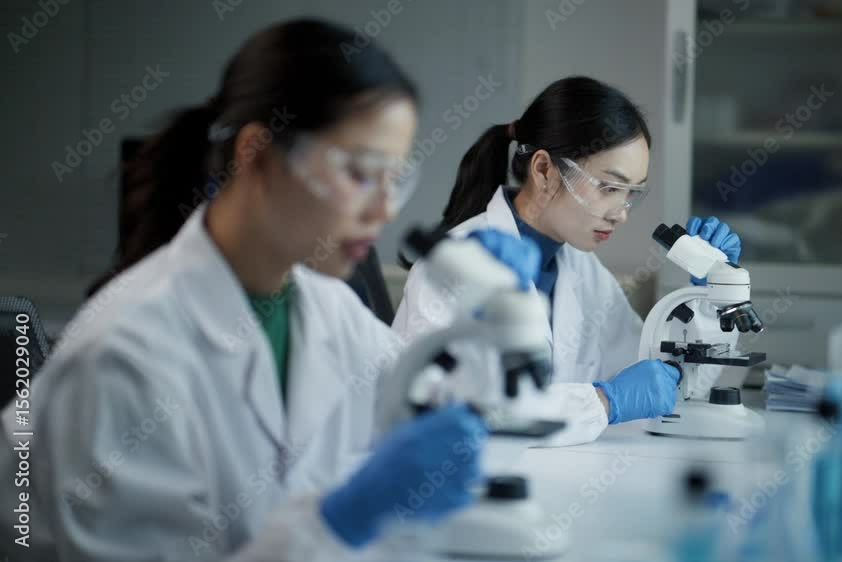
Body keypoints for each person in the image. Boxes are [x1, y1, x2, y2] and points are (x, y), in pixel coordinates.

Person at [0, 19, 540, 562]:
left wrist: (488, 319)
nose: (384, 211)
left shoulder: (326, 310)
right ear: (257, 154)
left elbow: (430, 407)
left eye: (394, 179)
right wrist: (337, 525)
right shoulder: (125, 357)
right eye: (360, 172)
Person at [393, 76, 742, 446]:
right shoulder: (452, 266)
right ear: (544, 170)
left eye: (631, 193)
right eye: (609, 187)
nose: (621, 213)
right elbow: (448, 415)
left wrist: (711, 298)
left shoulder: (581, 269)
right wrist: (604, 402)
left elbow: (664, 379)